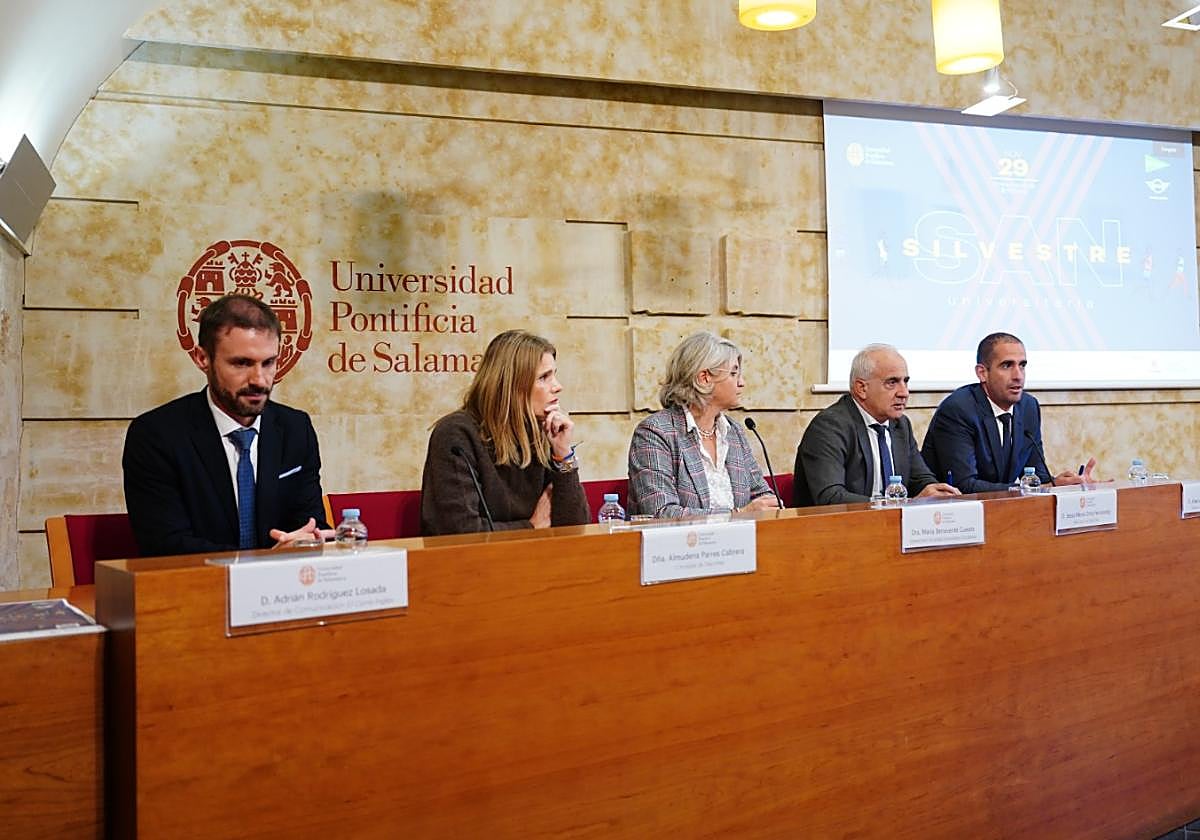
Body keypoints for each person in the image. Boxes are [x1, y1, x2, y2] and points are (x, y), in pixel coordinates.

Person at [122, 294, 330, 556]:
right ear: (202, 358)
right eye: (242, 363)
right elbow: (165, 545)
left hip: (282, 590)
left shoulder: (295, 428)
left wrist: (311, 539)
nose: (259, 380)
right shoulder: (156, 435)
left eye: (269, 363)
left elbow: (309, 521)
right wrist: (263, 560)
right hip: (195, 589)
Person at [420, 330, 589, 535]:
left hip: (539, 562)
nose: (558, 387)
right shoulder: (456, 435)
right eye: (544, 377)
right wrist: (531, 527)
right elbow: (458, 533)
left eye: (554, 374)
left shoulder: (541, 432)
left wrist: (563, 454)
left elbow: (574, 529)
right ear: (512, 385)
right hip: (474, 565)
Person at [921, 332, 1098, 492]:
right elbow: (964, 485)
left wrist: (1062, 484)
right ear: (982, 373)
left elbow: (1037, 476)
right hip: (952, 518)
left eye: (1022, 365)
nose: (1018, 376)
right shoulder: (958, 410)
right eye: (1007, 366)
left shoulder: (1028, 407)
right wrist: (1031, 488)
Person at [627, 332, 778, 518]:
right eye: (733, 373)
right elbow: (662, 512)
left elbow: (761, 493)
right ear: (704, 378)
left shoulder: (734, 431)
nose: (742, 383)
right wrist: (738, 514)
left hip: (739, 546)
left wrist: (770, 506)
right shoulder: (655, 433)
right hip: (678, 546)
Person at [794, 343, 959, 506]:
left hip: (891, 526)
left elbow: (920, 478)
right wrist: (895, 505)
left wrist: (934, 491)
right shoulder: (829, 427)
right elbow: (831, 498)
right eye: (892, 382)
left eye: (905, 382)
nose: (904, 393)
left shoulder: (900, 425)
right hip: (838, 528)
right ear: (861, 388)